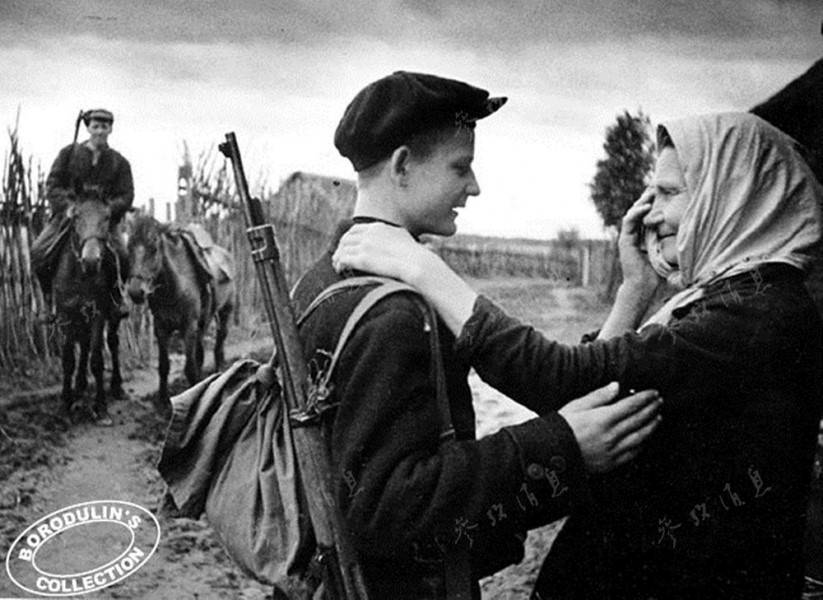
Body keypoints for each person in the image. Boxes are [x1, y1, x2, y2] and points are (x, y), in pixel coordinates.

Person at [332, 111, 823, 598]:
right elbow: (596, 388)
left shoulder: (762, 313)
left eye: (670, 193)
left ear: (735, 195)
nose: (652, 213)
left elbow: (563, 379)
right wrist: (634, 290)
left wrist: (426, 272)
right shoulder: (726, 297)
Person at [290, 71, 663, 599]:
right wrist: (560, 446)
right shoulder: (393, 311)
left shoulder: (320, 277)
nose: (475, 186)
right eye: (459, 167)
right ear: (401, 166)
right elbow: (384, 506)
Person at [31, 108, 133, 317]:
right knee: (39, 250)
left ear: (110, 129)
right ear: (88, 128)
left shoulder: (119, 162)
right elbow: (53, 184)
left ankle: (115, 297)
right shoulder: (68, 154)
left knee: (122, 255)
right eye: (95, 126)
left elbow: (126, 194)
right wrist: (67, 206)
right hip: (71, 216)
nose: (99, 131)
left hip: (103, 221)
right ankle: (48, 299)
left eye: (104, 127)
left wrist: (108, 209)